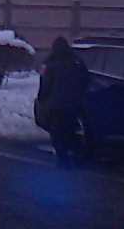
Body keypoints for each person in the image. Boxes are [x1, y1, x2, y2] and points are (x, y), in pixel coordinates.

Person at [37, 36, 90, 168]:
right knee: (70, 130)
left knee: (57, 133)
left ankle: (63, 159)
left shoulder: (50, 63)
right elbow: (85, 80)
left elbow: (45, 84)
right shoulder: (76, 61)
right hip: (73, 104)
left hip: (55, 105)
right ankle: (76, 155)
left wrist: (42, 99)